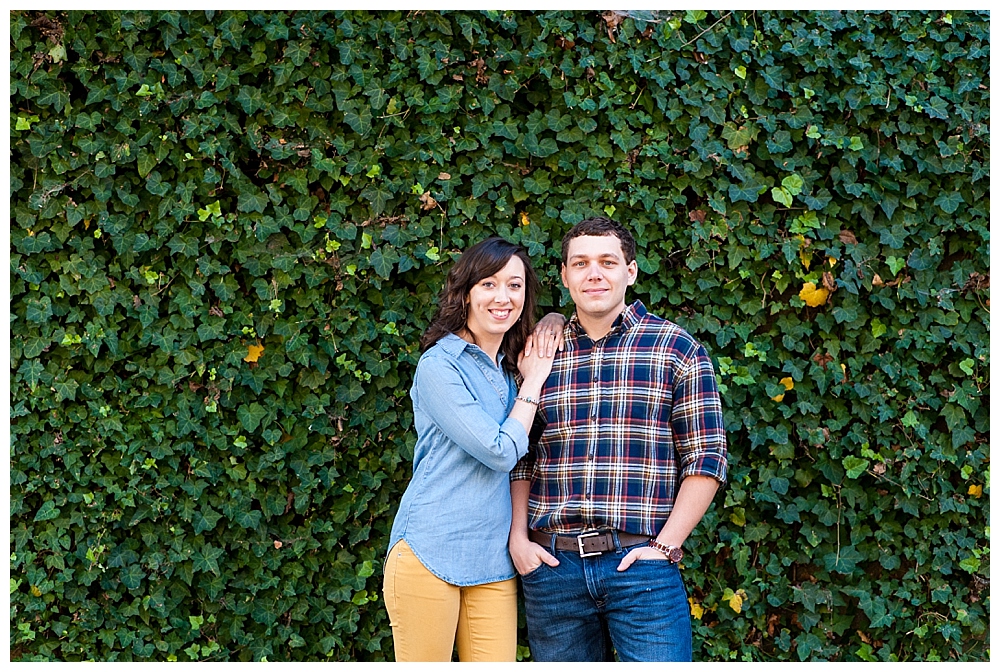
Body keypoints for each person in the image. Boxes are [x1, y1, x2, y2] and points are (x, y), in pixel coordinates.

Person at [509, 216, 728, 662]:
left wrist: (664, 547)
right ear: (565, 275)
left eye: (607, 262)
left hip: (641, 567)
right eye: (581, 263)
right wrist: (518, 540)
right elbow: (521, 456)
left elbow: (706, 457)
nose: (594, 273)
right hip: (553, 569)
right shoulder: (540, 353)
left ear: (630, 271)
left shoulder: (675, 348)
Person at [383, 237, 558, 662]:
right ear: (465, 293)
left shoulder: (509, 366)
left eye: (515, 286)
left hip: (493, 560)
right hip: (429, 551)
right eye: (489, 285)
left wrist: (553, 318)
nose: (503, 297)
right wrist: (534, 382)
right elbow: (499, 451)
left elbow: (563, 321)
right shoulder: (440, 365)